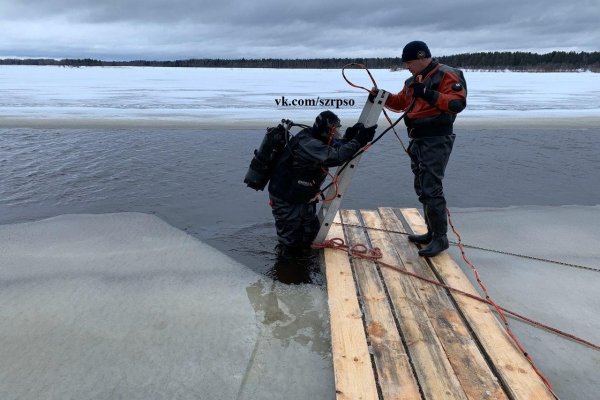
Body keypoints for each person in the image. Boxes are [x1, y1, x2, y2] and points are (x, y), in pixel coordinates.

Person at [376, 41, 467, 257]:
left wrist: (427, 93)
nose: (407, 66)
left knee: (431, 187)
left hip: (436, 138)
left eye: (409, 62)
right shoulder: (413, 81)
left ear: (421, 57)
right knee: (422, 186)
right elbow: (400, 103)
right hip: (417, 139)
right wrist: (381, 96)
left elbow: (457, 104)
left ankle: (440, 238)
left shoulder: (447, 74)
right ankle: (431, 232)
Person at [268, 110, 376, 257]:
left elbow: (334, 146)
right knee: (290, 240)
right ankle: (285, 272)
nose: (336, 133)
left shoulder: (315, 136)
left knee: (310, 232)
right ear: (326, 130)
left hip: (302, 195)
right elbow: (336, 156)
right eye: (334, 130)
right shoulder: (308, 142)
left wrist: (349, 137)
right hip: (286, 197)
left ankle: (304, 265)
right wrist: (358, 140)